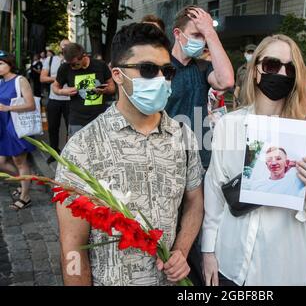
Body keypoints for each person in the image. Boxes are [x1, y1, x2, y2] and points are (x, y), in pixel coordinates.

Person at [55, 23, 204, 286]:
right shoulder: (82, 147)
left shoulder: (184, 137)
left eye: (166, 71)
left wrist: (181, 249)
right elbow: (72, 247)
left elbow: (194, 202)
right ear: (117, 74)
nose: (160, 79)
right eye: (147, 70)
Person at [201, 34, 306, 286]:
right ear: (255, 69)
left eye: (289, 68)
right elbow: (215, 191)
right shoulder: (229, 125)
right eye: (272, 65)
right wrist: (208, 251)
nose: (280, 73)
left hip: (281, 265)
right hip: (231, 259)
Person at [166, 5, 234, 170]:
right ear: (177, 34)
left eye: (203, 36)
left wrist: (210, 32)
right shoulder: (160, 67)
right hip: (168, 159)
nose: (201, 41)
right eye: (196, 35)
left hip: (201, 159)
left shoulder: (203, 67)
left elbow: (226, 81)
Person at [52, 43, 115, 137]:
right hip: (77, 120)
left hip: (100, 118)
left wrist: (105, 90)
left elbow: (112, 87)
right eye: (70, 64)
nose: (72, 67)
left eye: (74, 64)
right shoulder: (65, 68)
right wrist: (62, 92)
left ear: (83, 56)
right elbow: (55, 87)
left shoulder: (100, 65)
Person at [0, 51, 36, 210]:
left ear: (9, 64)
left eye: (1, 63)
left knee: (20, 161)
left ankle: (25, 196)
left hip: (16, 126)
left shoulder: (20, 80)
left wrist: (9, 107)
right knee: (1, 162)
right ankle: (24, 182)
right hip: (3, 126)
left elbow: (31, 105)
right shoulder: (1, 83)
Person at [40, 39, 71, 164]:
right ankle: (54, 152)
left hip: (70, 100)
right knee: (53, 127)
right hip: (54, 99)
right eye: (63, 45)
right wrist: (59, 78)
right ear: (60, 47)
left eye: (68, 45)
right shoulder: (50, 60)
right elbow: (42, 78)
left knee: (71, 128)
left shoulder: (74, 60)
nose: (65, 47)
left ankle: (69, 154)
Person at [233, 44, 256, 108]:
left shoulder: (260, 69)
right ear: (245, 54)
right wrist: (234, 107)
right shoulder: (240, 69)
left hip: (255, 105)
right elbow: (237, 88)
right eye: (249, 52)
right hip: (242, 105)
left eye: (253, 52)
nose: (251, 54)